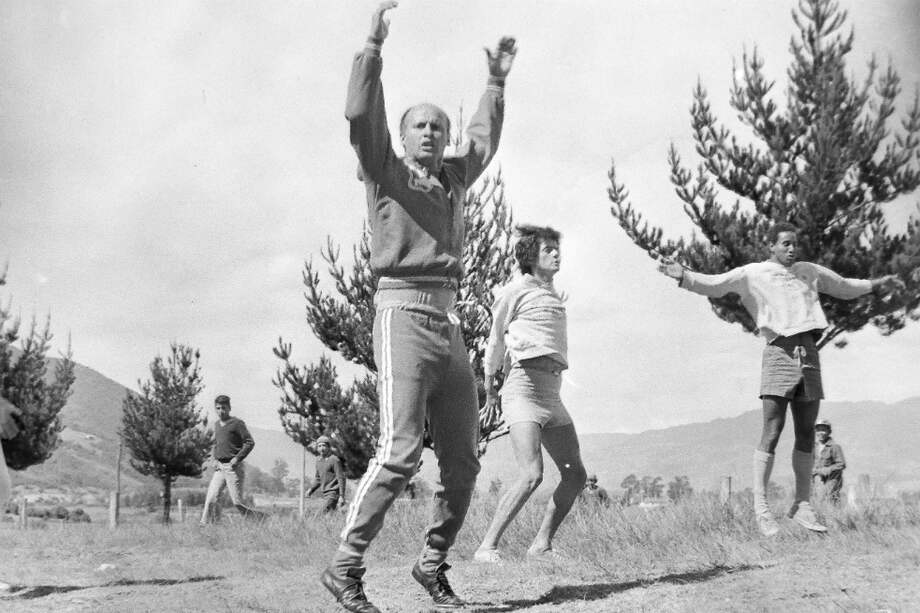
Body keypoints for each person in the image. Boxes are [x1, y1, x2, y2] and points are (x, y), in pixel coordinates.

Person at [320, 3, 516, 611]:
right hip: (401, 315)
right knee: (400, 451)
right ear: (401, 139)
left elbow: (482, 140)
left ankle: (432, 564)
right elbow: (360, 112)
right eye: (419, 126)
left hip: (451, 323)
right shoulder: (383, 171)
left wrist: (495, 83)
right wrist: (372, 45)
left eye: (438, 125)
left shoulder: (454, 179)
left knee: (463, 462)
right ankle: (345, 567)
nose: (431, 132)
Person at [659, 221, 903, 536]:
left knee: (806, 433)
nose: (791, 248)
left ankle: (802, 505)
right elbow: (716, 284)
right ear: (771, 245)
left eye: (794, 243)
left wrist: (877, 283)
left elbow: (843, 286)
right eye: (785, 243)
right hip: (779, 353)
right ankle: (761, 509)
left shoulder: (809, 270)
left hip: (810, 354)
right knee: (772, 430)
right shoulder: (753, 272)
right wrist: (685, 276)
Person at [473, 225, 587, 564]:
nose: (556, 253)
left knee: (576, 475)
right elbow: (495, 340)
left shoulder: (552, 294)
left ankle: (541, 545)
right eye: (548, 249)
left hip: (553, 395)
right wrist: (491, 390)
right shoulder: (514, 290)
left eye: (557, 248)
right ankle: (486, 547)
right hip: (522, 389)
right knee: (531, 474)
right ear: (529, 256)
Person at [199, 394, 263, 524]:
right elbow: (216, 444)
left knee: (237, 503)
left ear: (229, 408)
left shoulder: (237, 424)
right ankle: (208, 526)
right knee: (211, 498)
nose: (220, 411)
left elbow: (249, 442)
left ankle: (260, 519)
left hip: (233, 468)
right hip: (219, 468)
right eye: (217, 408)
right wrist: (214, 459)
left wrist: (237, 459)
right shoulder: (216, 424)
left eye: (223, 408)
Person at [307, 435, 346, 513]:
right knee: (328, 516)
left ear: (328, 447)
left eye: (324, 445)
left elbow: (340, 478)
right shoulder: (318, 461)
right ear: (317, 448)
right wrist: (311, 490)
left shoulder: (334, 460)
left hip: (333, 494)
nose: (322, 448)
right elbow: (318, 479)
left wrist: (341, 496)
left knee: (319, 515)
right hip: (325, 494)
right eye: (319, 446)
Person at [812, 418, 846, 504]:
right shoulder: (813, 447)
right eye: (818, 430)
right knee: (813, 501)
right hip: (817, 479)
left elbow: (841, 464)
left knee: (827, 500)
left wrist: (825, 470)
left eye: (823, 430)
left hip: (832, 479)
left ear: (829, 432)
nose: (821, 433)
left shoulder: (835, 447)